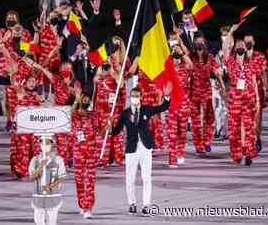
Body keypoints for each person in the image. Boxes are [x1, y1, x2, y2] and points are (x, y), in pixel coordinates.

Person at [105, 84, 171, 216]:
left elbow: (162, 107)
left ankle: (146, 205)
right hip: (131, 148)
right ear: (130, 97)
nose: (135, 98)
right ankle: (132, 204)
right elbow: (116, 131)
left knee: (147, 178)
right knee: (130, 179)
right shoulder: (125, 113)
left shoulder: (146, 109)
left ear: (141, 97)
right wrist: (109, 125)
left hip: (145, 147)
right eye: (133, 96)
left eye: (137, 96)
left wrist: (167, 96)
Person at [223, 25, 260, 166]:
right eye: (237, 45)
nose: (239, 47)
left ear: (245, 49)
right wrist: (231, 32)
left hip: (249, 97)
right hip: (235, 97)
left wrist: (257, 99)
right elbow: (225, 47)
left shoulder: (250, 64)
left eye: (242, 45)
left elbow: (254, 83)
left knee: (249, 125)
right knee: (234, 127)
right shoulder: (230, 62)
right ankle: (237, 155)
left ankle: (249, 152)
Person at [190, 34, 226, 155]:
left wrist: (222, 86)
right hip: (193, 91)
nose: (200, 45)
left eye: (202, 43)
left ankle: (206, 142)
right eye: (197, 43)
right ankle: (198, 145)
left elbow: (217, 72)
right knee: (195, 119)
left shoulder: (210, 57)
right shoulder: (191, 57)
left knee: (209, 117)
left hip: (206, 90)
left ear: (205, 44)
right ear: (194, 44)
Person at [71, 90, 99, 218]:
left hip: (91, 152)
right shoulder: (74, 115)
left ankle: (88, 207)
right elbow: (70, 112)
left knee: (90, 181)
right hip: (78, 152)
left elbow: (100, 132)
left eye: (88, 100)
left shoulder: (93, 115)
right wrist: (76, 99)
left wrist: (107, 124)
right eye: (84, 100)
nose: (86, 102)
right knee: (79, 180)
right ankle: (82, 204)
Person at [10, 75, 42, 179]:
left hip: (34, 125)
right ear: (25, 82)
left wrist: (41, 101)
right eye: (30, 81)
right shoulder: (21, 92)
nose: (32, 83)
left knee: (35, 148)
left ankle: (34, 169)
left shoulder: (37, 96)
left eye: (34, 81)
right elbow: (14, 81)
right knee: (23, 147)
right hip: (22, 125)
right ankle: (20, 169)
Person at [29, 137, 66, 225]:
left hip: (53, 196)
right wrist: (40, 166)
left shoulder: (58, 160)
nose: (45, 145)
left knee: (52, 222)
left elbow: (61, 177)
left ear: (52, 144)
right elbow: (32, 177)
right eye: (43, 143)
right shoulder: (35, 160)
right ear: (40, 144)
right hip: (38, 196)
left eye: (48, 143)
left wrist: (50, 186)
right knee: (38, 221)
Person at [167, 43, 193, 168]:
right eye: (174, 55)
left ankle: (180, 152)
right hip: (172, 102)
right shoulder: (167, 68)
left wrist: (182, 52)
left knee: (182, 130)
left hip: (184, 102)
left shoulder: (185, 67)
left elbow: (191, 65)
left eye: (178, 56)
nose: (176, 57)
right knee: (172, 131)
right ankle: (172, 158)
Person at [244, 34, 268, 152]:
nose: (248, 43)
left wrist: (267, 89)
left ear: (253, 43)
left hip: (257, 89)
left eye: (250, 41)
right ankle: (245, 143)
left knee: (257, 118)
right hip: (243, 90)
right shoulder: (240, 56)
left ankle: (257, 138)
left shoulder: (260, 56)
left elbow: (264, 73)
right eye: (246, 41)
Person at [213, 26, 231, 140]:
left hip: (230, 82)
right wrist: (219, 81)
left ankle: (226, 132)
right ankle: (217, 129)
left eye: (227, 35)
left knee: (227, 108)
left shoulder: (235, 51)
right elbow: (215, 67)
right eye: (223, 35)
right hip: (217, 82)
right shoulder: (217, 51)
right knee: (217, 107)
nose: (224, 37)